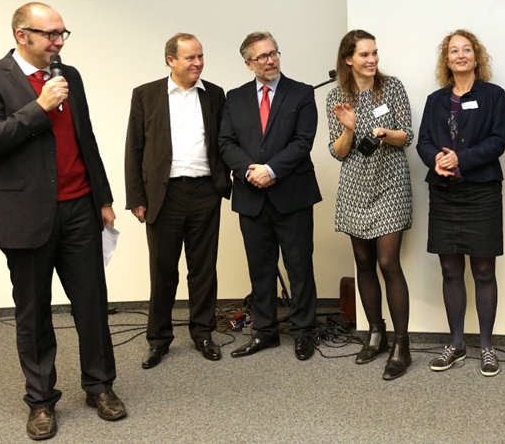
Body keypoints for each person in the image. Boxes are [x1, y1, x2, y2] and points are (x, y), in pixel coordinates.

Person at [0, 2, 125, 440]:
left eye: (62, 33)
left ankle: (100, 387)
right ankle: (40, 401)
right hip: (25, 214)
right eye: (50, 34)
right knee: (33, 313)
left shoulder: (69, 75)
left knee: (92, 304)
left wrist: (104, 197)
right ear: (22, 35)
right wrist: (39, 106)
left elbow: (85, 137)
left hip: (79, 206)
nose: (58, 42)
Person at [125, 33, 231, 369]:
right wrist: (136, 198)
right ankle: (158, 340)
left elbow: (223, 142)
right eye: (190, 58)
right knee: (162, 271)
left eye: (200, 56)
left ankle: (203, 333)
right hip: (163, 194)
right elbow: (134, 149)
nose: (198, 63)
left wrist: (224, 184)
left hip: (204, 193)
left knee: (203, 269)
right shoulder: (146, 95)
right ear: (171, 60)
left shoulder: (215, 94)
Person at [218, 32, 321, 361]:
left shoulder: (301, 93)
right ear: (248, 63)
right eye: (261, 56)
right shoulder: (234, 98)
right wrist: (250, 170)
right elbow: (225, 143)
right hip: (251, 196)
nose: (270, 60)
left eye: (273, 53)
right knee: (260, 269)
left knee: (299, 267)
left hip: (292, 195)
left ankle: (303, 331)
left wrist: (271, 170)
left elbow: (303, 142)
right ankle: (265, 332)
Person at [416, 30, 505, 377]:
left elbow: (499, 140)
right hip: (444, 192)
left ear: (476, 56)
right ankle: (456, 344)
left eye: (466, 49)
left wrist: (461, 159)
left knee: (484, 271)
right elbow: (424, 140)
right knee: (450, 270)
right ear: (447, 59)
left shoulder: (493, 95)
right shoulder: (435, 99)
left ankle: (486, 346)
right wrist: (436, 161)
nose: (460, 55)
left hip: (481, 191)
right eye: (453, 50)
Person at [327, 29, 414, 380]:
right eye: (365, 55)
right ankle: (375, 333)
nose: (372, 59)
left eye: (375, 53)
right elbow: (338, 152)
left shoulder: (392, 87)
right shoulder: (337, 95)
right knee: (363, 261)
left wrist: (383, 134)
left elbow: (407, 135)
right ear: (349, 59)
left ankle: (401, 344)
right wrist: (348, 128)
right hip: (355, 187)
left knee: (387, 261)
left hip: (390, 182)